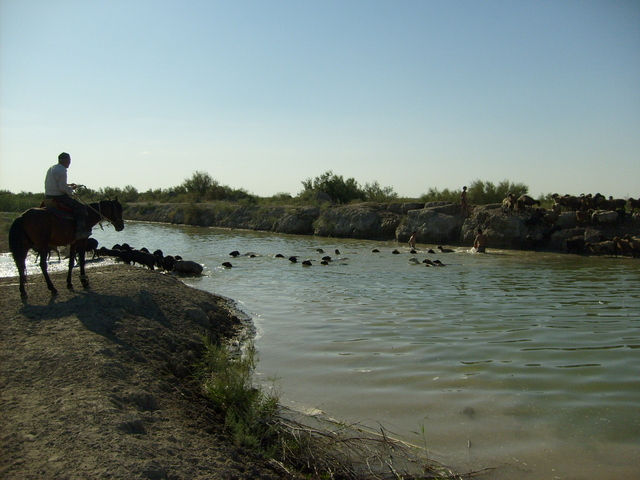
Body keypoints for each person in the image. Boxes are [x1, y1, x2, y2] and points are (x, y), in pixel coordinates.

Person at [44, 152, 90, 239]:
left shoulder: (52, 168)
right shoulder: (62, 170)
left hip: (48, 196)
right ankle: (79, 232)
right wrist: (71, 189)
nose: (70, 163)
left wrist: (69, 185)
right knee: (81, 208)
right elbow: (61, 188)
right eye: (69, 160)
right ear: (65, 160)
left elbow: (56, 184)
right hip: (59, 197)